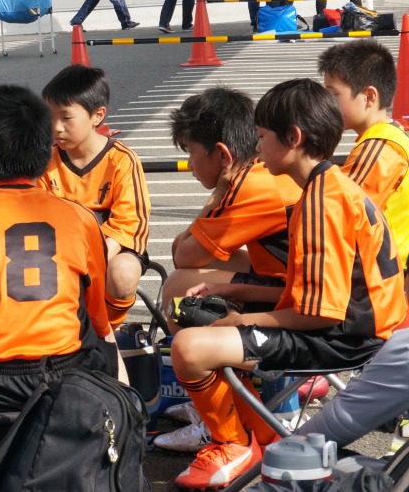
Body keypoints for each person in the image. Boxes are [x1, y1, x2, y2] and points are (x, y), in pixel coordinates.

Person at [169, 79, 406, 490]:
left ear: (292, 138)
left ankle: (234, 445)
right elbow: (309, 292)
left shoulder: (320, 203)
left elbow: (318, 314)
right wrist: (235, 292)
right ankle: (261, 436)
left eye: (262, 138)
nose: (257, 149)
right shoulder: (328, 186)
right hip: (356, 325)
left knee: (190, 347)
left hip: (346, 339)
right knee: (202, 318)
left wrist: (243, 320)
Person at [0, 84, 112, 457]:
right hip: (61, 376)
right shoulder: (80, 218)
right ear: (47, 155)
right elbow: (96, 315)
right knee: (96, 341)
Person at [154, 87, 303, 453]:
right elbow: (186, 251)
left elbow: (183, 255)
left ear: (222, 154)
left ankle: (225, 421)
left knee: (178, 291)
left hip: (304, 307)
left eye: (190, 152)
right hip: (306, 288)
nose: (190, 165)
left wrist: (216, 195)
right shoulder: (261, 172)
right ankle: (227, 401)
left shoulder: (250, 184)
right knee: (202, 271)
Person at [39, 65, 150, 329]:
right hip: (63, 250)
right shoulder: (45, 162)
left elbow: (130, 224)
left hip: (113, 249)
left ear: (97, 115)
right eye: (50, 117)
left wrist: (92, 258)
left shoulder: (122, 160)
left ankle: (106, 331)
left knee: (123, 273)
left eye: (66, 117)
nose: (56, 127)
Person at [319, 40, 409, 265]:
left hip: (383, 271)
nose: (326, 105)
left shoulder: (379, 148)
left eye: (333, 95)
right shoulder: (388, 135)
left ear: (369, 97)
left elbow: (339, 211)